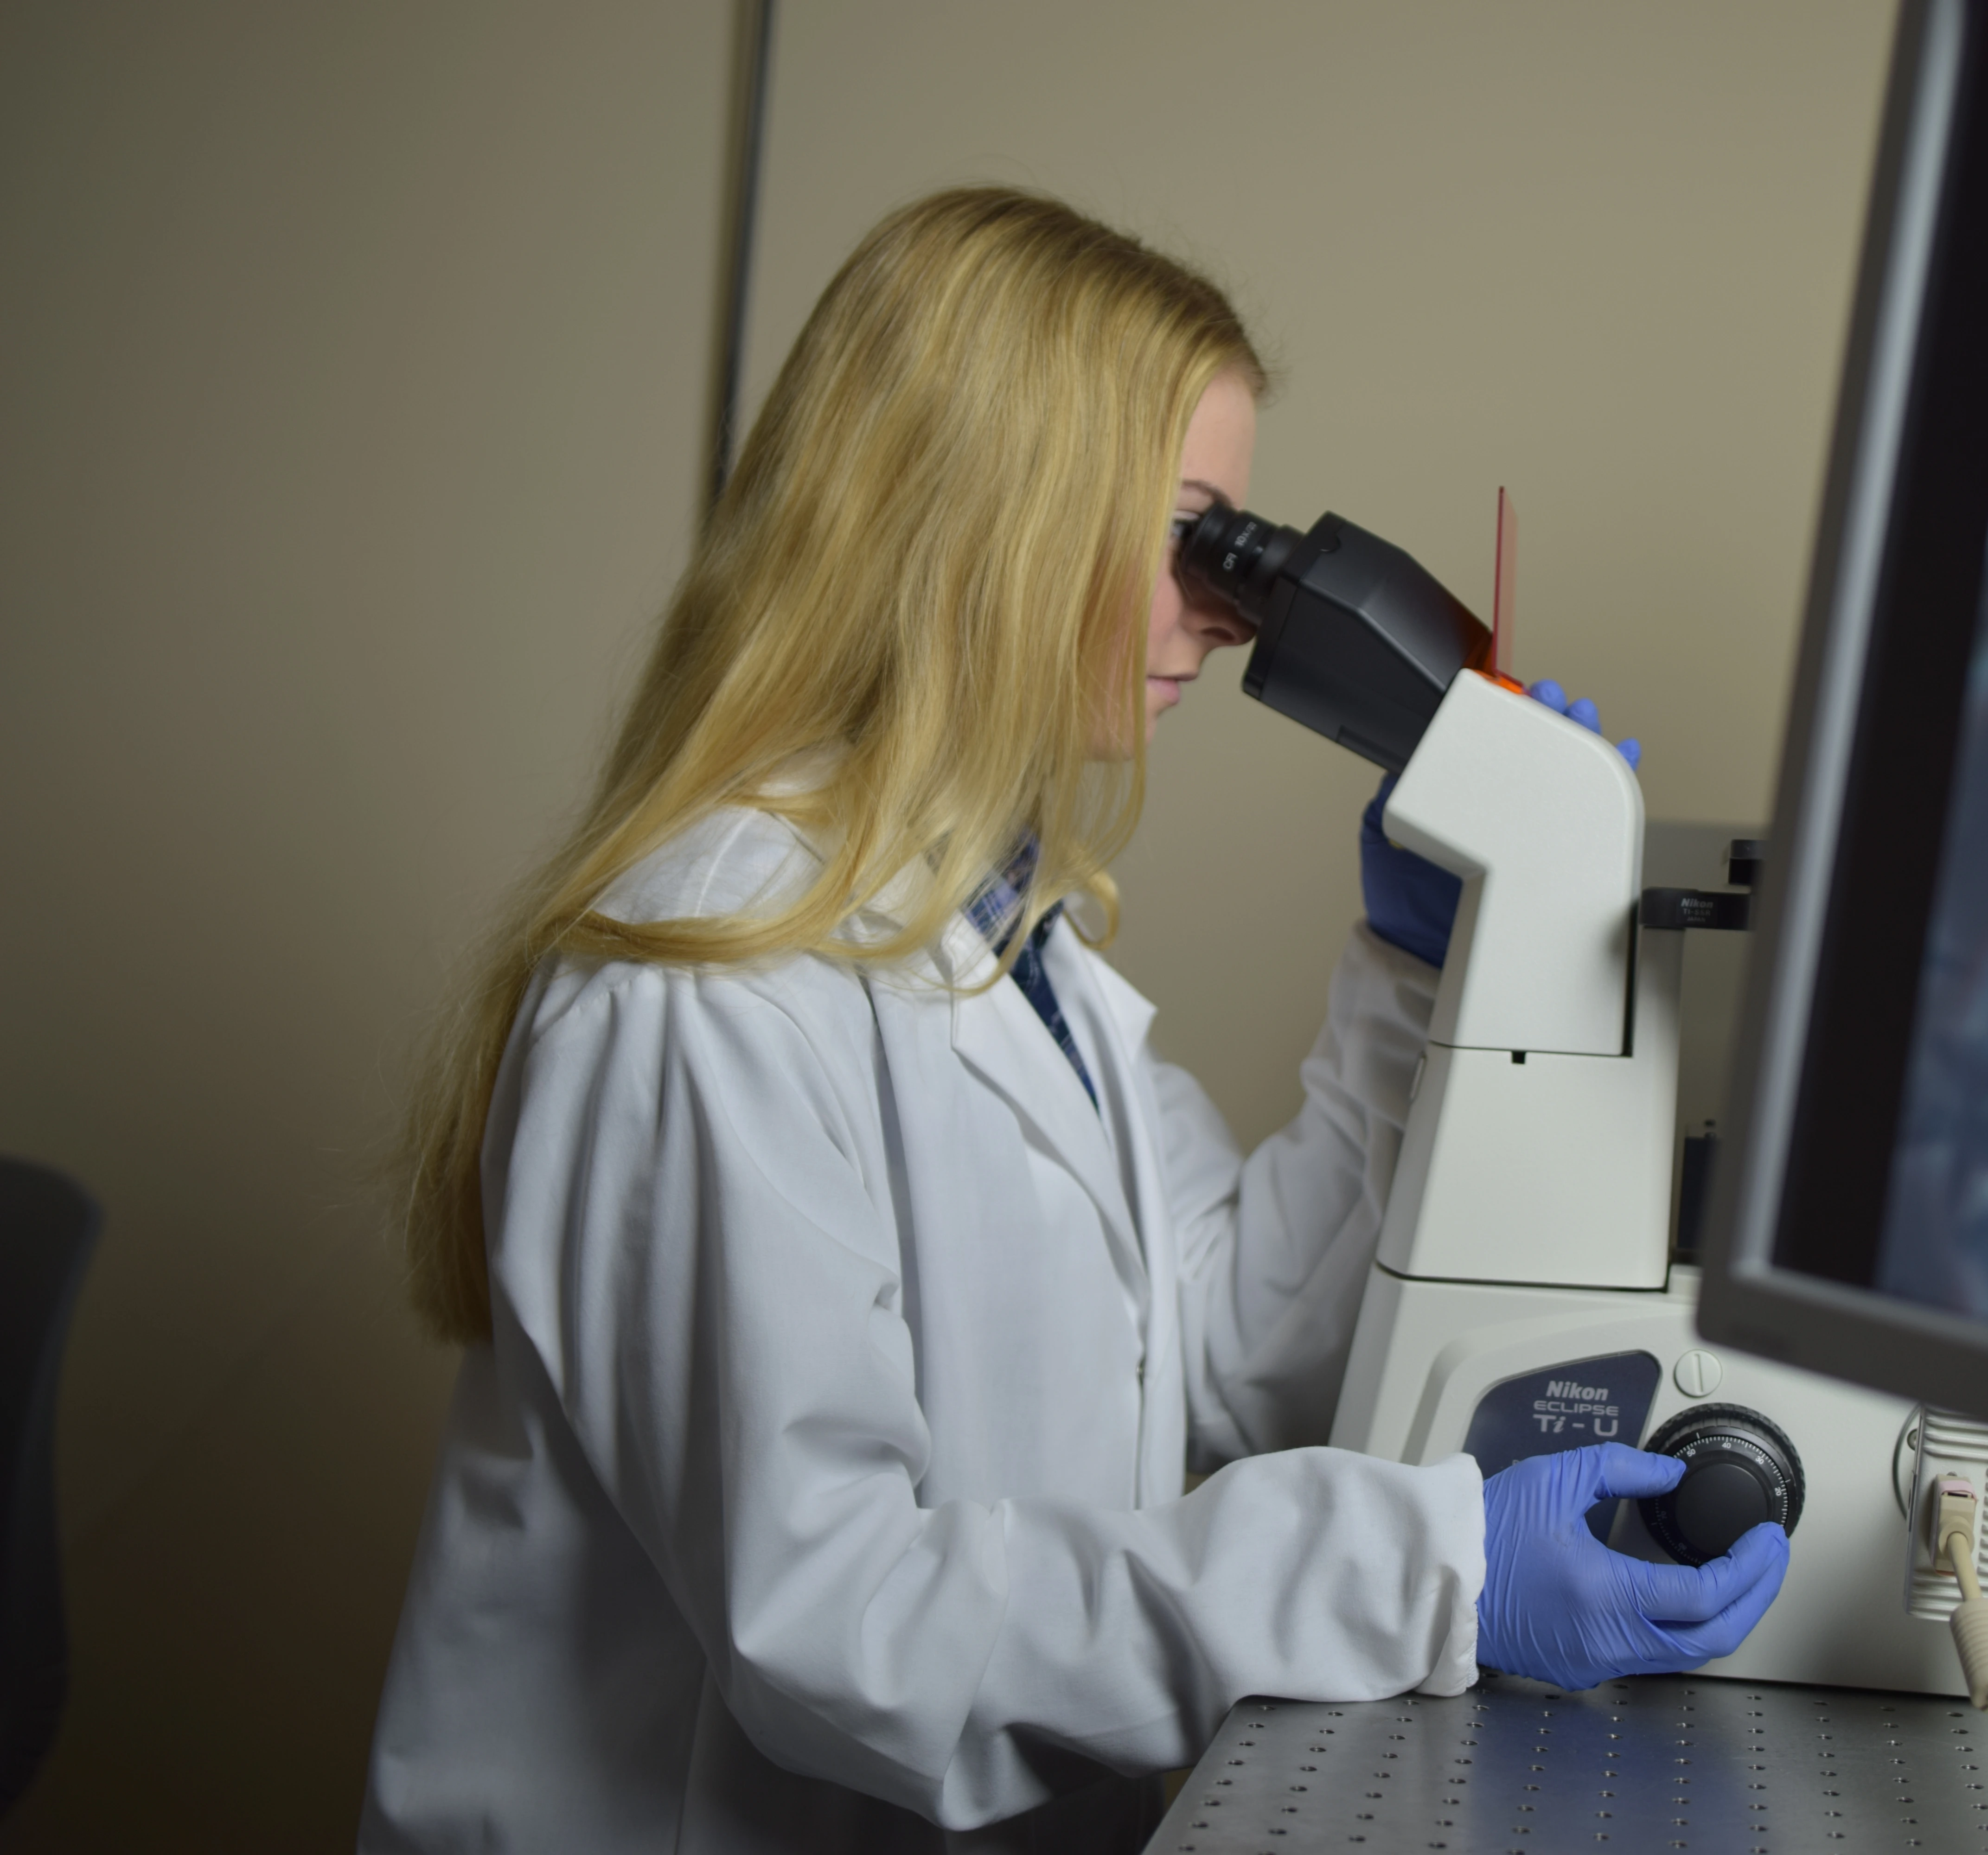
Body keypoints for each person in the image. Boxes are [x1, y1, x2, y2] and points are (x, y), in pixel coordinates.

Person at [359, 187, 1788, 1855]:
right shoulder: (710, 976)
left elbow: (1231, 1360)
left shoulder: (1004, 934)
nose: (1232, 604)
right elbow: (842, 1628)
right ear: (985, 518)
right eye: (1193, 530)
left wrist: (1421, 968)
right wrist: (1440, 1572)